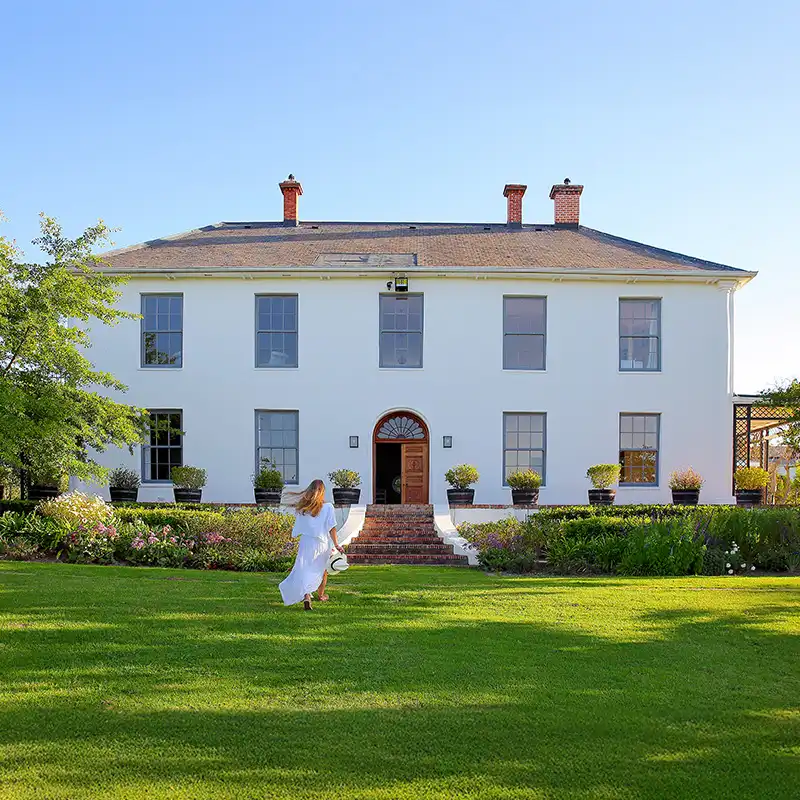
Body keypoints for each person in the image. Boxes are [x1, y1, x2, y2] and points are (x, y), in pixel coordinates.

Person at [279, 479, 344, 610]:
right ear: (322, 492)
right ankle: (320, 595)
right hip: (321, 543)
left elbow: (300, 527)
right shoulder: (328, 507)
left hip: (306, 543)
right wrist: (336, 544)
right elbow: (332, 528)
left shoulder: (304, 509)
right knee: (322, 570)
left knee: (304, 568)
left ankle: (307, 594)